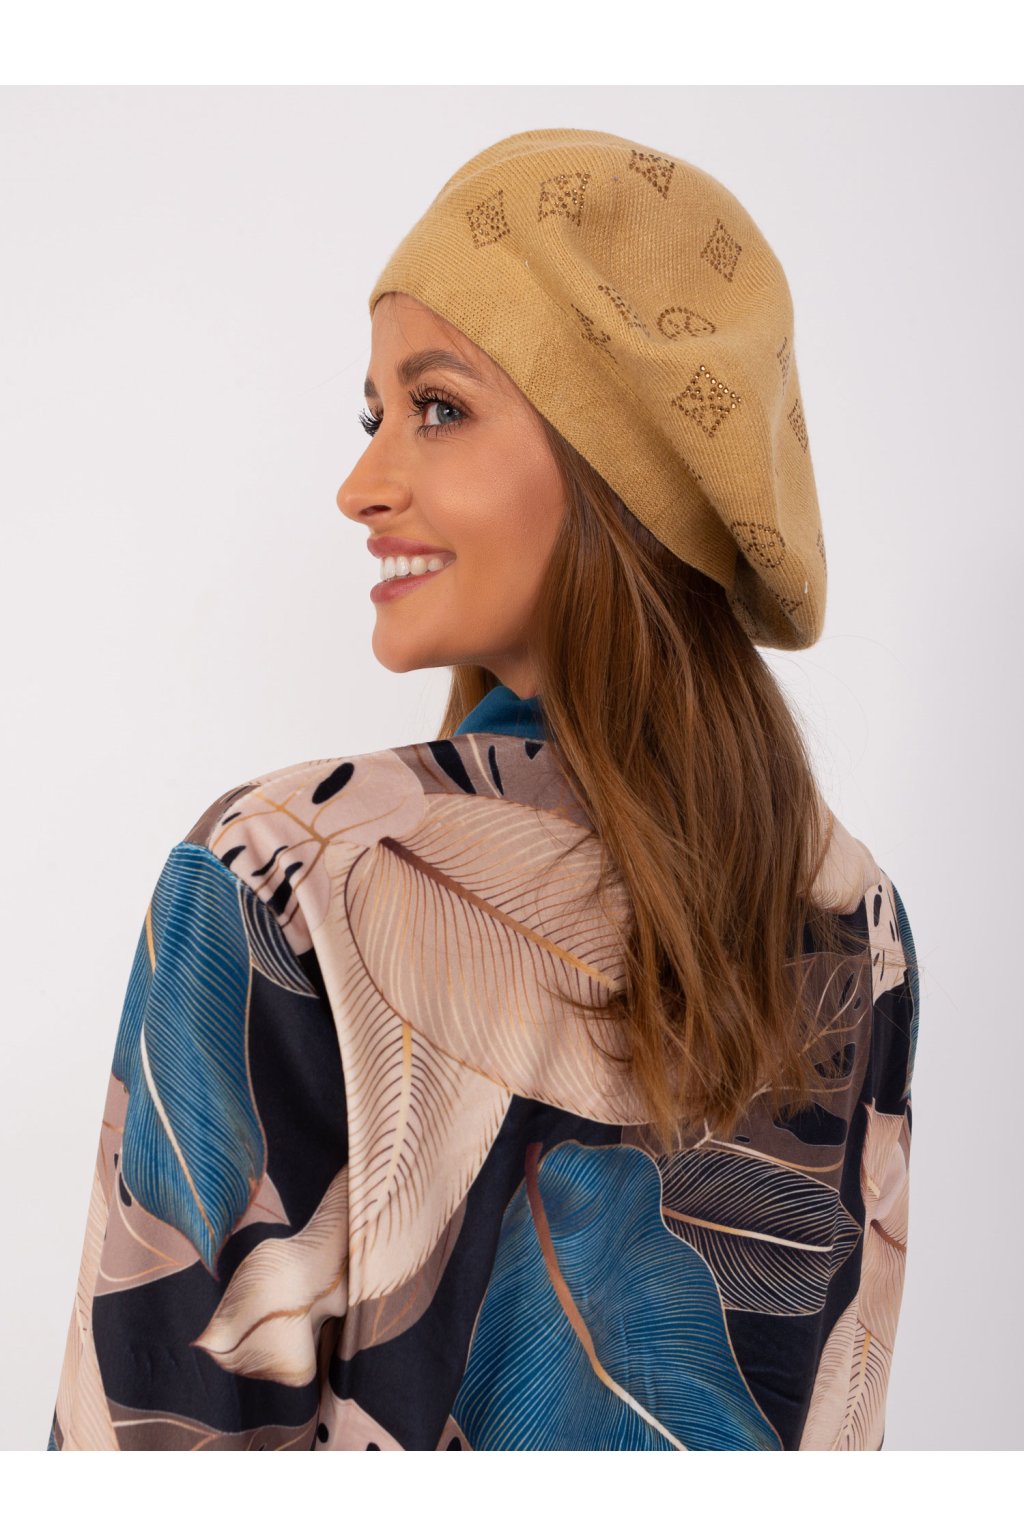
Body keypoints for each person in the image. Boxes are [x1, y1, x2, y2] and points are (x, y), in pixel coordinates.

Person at [47, 127, 919, 1452]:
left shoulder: (287, 879)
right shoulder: (859, 923)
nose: (361, 485)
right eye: (374, 416)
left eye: (438, 408)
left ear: (619, 462)